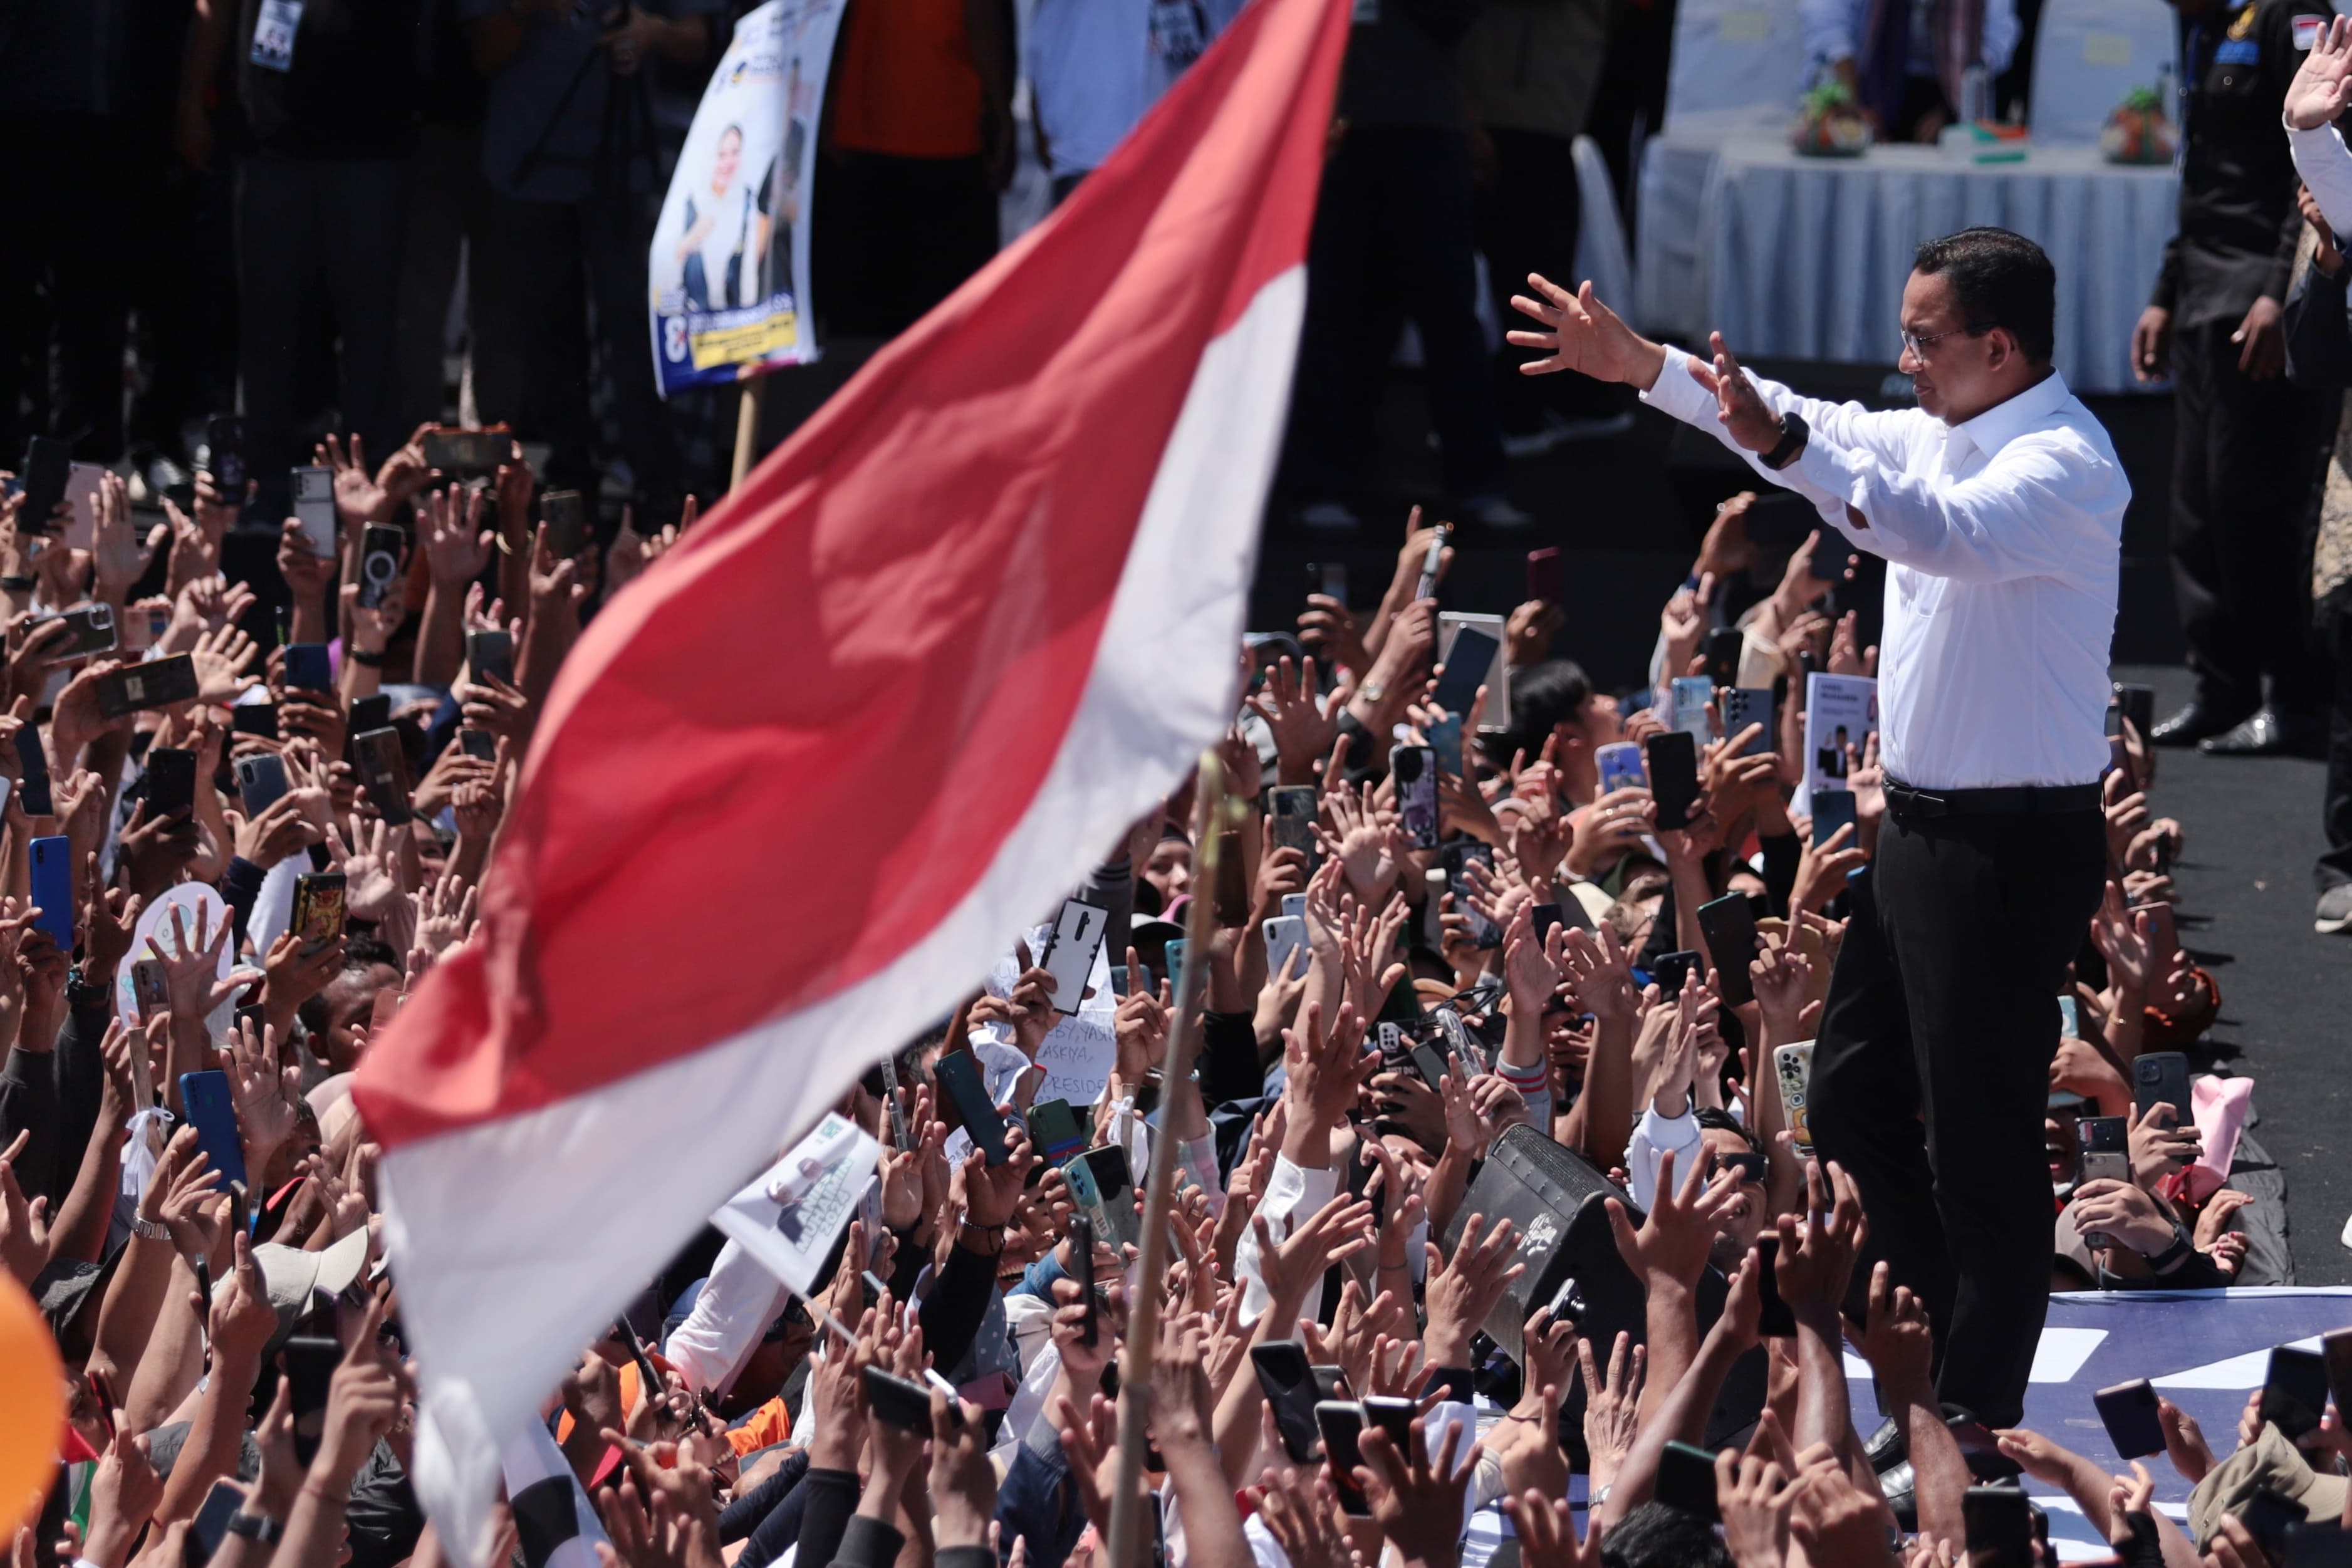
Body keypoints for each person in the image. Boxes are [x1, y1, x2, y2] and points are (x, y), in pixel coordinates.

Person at [1507, 228, 2123, 1428]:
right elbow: (1799, 417)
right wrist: (1648, 369)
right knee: (1843, 1103)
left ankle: (1968, 1428)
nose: (1901, 361)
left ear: (1996, 348)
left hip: (2006, 849)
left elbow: (1920, 525)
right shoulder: (1941, 428)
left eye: (1921, 338)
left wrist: (1780, 444)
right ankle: (1943, 1355)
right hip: (1920, 838)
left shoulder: (2063, 464)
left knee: (1980, 1152)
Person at [2138, 0, 2336, 757]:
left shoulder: (2295, 14)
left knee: (2253, 503)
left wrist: (2274, 290)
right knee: (2194, 509)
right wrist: (2164, 291)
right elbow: (2202, 180)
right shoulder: (2210, 27)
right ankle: (2222, 687)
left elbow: (2312, 153)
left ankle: (2295, 694)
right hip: (2200, 290)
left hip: (2257, 293)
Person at [1799, 0, 2022, 141]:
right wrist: (1855, 106)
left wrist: (1950, 112)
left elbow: (1998, 41)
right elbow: (1827, 18)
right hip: (1873, 83)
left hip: (1953, 94)